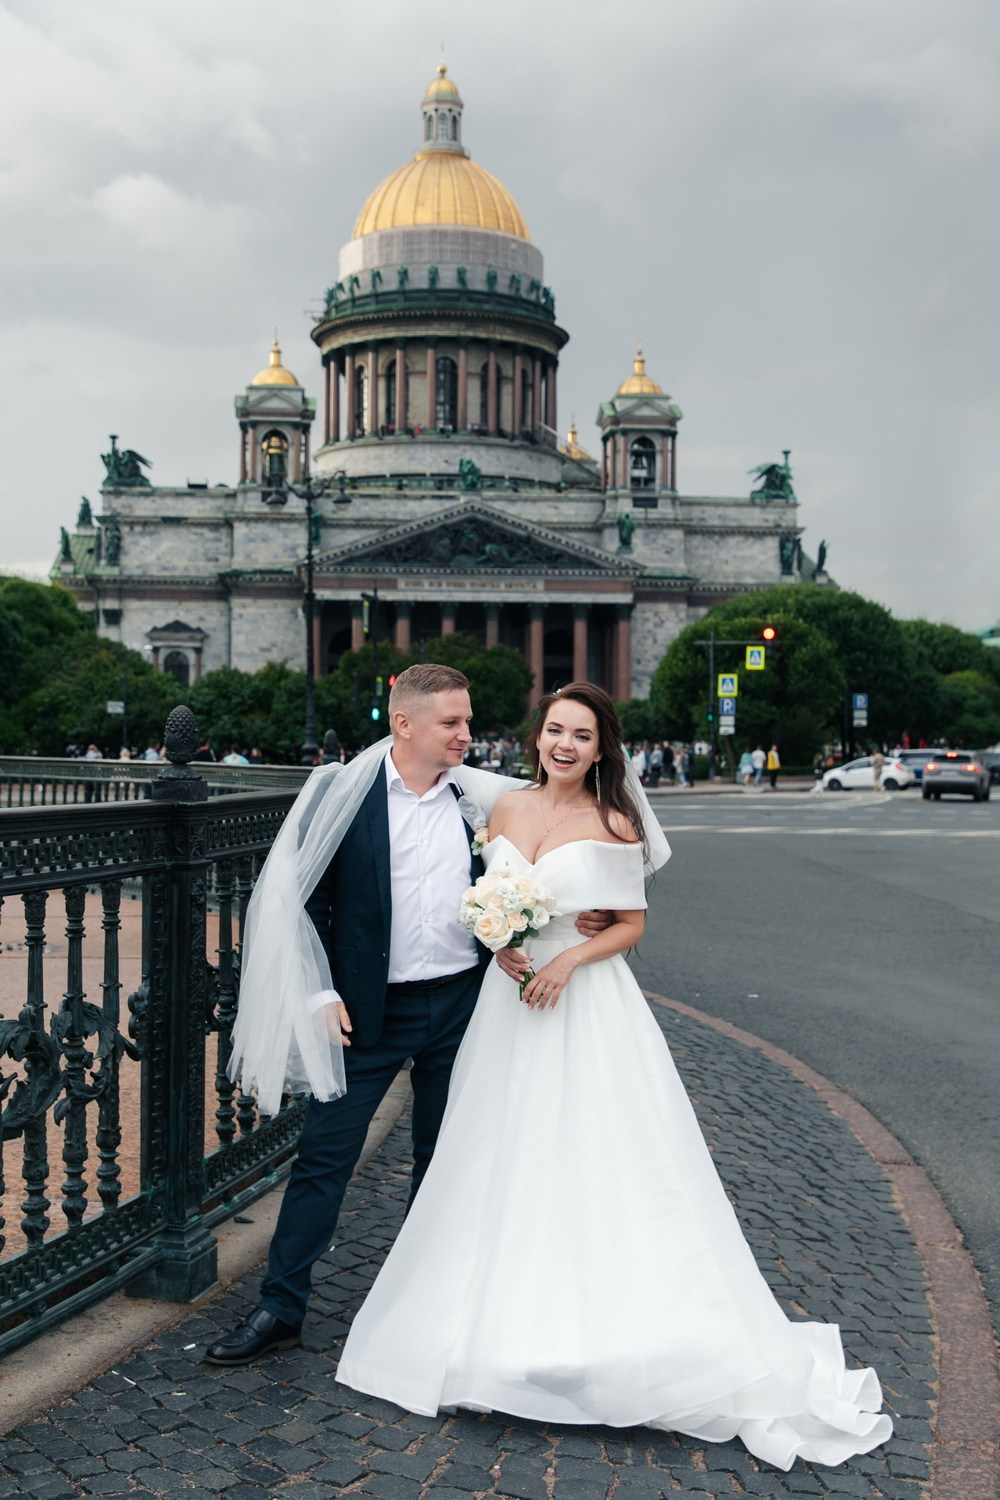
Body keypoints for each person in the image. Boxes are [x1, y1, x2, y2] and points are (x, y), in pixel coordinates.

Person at [336, 684, 892, 1472]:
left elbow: (631, 923)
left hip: (585, 1003)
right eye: (556, 730)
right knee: (500, 1154)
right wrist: (502, 946)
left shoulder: (615, 821)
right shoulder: (501, 811)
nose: (565, 744)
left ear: (603, 750)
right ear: (539, 736)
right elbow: (482, 903)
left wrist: (567, 953)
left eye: (582, 735)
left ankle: (601, 1326)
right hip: (509, 1007)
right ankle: (493, 1324)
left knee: (599, 1153)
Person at [205, 664, 610, 1367]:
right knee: (324, 1162)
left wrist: (586, 912)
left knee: (446, 1161)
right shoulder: (343, 794)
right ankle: (280, 1307)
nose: (466, 733)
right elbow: (295, 901)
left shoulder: (480, 799)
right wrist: (318, 993)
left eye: (467, 719)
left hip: (462, 1006)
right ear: (405, 725)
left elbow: (555, 849)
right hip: (364, 1015)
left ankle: (436, 1308)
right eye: (451, 722)